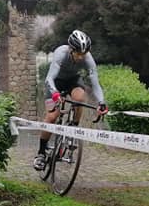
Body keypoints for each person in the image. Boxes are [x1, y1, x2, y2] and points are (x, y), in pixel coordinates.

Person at [33, 29, 109, 171]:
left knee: (80, 97)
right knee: (52, 116)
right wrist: (55, 94)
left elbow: (95, 83)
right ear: (71, 49)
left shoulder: (88, 59)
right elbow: (50, 78)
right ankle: (41, 153)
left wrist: (101, 102)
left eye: (84, 53)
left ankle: (73, 127)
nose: (81, 57)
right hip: (55, 82)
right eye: (78, 53)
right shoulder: (60, 54)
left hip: (72, 81)